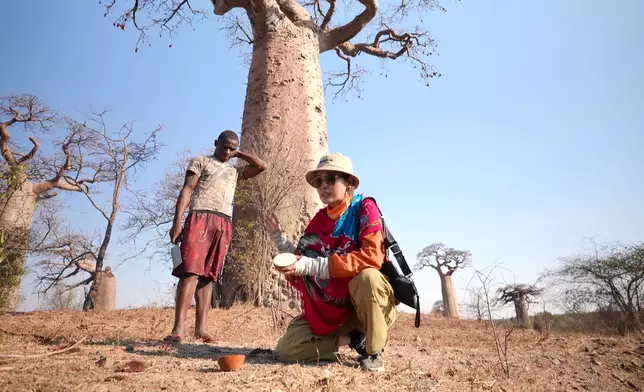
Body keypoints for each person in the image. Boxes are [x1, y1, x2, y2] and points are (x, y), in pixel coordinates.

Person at [263, 152, 397, 372]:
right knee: (288, 349)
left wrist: (310, 265)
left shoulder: (363, 209)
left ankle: (373, 351)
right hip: (333, 313)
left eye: (332, 178)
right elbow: (302, 261)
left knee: (368, 277)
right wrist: (280, 240)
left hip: (366, 307)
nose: (324, 185)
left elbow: (372, 256)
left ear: (349, 184)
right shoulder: (319, 220)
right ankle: (354, 339)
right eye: (319, 181)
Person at [164, 130, 266, 344]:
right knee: (190, 271)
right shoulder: (200, 161)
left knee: (208, 275)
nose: (228, 151)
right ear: (215, 143)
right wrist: (177, 222)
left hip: (223, 222)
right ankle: (178, 329)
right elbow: (187, 190)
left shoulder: (234, 172)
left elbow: (261, 166)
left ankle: (200, 329)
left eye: (232, 148)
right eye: (225, 146)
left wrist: (240, 154)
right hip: (200, 217)